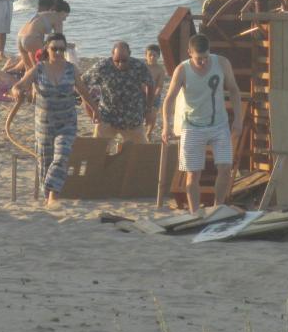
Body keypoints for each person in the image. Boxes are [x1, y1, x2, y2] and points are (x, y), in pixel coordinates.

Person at [11, 33, 96, 207]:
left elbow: (83, 90)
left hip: (67, 122)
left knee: (62, 155)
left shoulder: (71, 69)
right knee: (45, 162)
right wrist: (17, 91)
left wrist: (95, 109)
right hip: (44, 124)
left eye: (61, 49)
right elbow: (19, 85)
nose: (58, 52)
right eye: (54, 48)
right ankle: (47, 198)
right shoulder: (38, 69)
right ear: (46, 49)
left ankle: (53, 195)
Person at [162, 34, 242, 214]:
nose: (204, 62)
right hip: (192, 126)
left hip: (219, 124)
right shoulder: (182, 70)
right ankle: (195, 212)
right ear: (190, 53)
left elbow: (234, 90)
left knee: (225, 168)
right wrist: (166, 126)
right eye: (199, 58)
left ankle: (218, 207)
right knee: (192, 174)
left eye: (206, 57)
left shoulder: (222, 63)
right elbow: (169, 100)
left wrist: (238, 119)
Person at [81, 41, 155, 145]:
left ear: (130, 54)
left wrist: (149, 109)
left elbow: (151, 85)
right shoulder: (103, 66)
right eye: (117, 61)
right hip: (107, 118)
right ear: (112, 55)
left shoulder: (139, 66)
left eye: (124, 61)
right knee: (97, 149)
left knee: (140, 151)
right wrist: (91, 107)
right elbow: (81, 83)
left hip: (132, 119)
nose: (120, 64)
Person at [16, 0, 70, 70]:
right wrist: (69, 45)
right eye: (66, 16)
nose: (65, 19)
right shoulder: (58, 18)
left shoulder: (43, 14)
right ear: (62, 12)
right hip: (31, 38)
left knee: (29, 69)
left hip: (20, 37)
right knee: (49, 60)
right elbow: (58, 39)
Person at [144, 44, 165, 140]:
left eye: (155, 55)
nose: (152, 57)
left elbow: (160, 85)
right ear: (146, 56)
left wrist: (154, 96)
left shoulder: (160, 70)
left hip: (154, 95)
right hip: (141, 94)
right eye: (150, 55)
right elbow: (138, 82)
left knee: (153, 116)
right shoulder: (142, 67)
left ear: (158, 56)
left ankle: (148, 133)